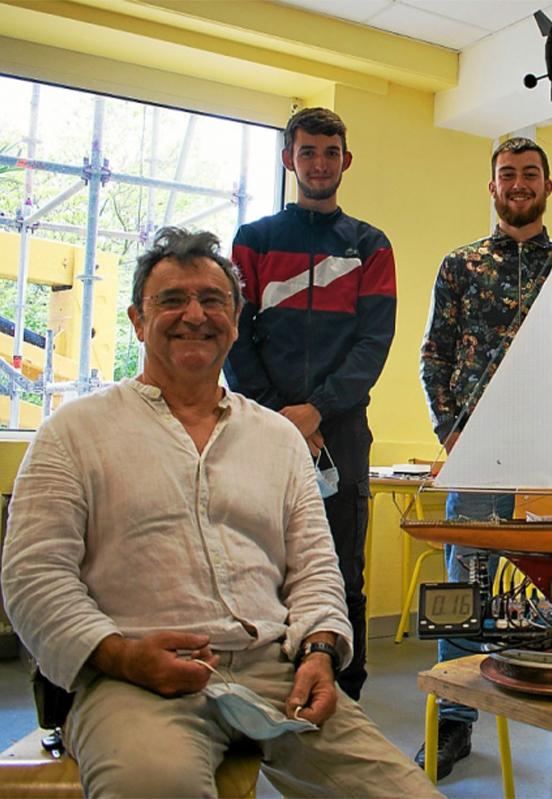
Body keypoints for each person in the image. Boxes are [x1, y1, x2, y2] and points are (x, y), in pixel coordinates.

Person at [0, 228, 438, 798]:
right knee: (158, 788)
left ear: (236, 321)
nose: (195, 315)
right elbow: (34, 577)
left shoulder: (278, 438)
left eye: (213, 300)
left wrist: (320, 650)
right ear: (137, 320)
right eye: (172, 300)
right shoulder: (74, 433)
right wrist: (125, 657)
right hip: (134, 679)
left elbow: (314, 568)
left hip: (276, 672)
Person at [418, 137, 552, 780]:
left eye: (531, 174)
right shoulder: (461, 265)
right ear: (493, 187)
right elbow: (435, 357)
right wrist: (454, 436)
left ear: (549, 187)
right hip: (481, 458)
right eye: (508, 175)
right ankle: (452, 721)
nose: (519, 183)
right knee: (463, 591)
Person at [224, 107, 395, 700]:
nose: (318, 164)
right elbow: (235, 337)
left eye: (330, 153)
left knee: (343, 565)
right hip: (261, 427)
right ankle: (266, 687)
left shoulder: (370, 246)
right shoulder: (254, 241)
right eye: (307, 152)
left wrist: (318, 410)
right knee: (261, 559)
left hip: (340, 432)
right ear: (288, 159)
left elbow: (373, 343)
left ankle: (344, 693)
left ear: (345, 161)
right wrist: (281, 415)